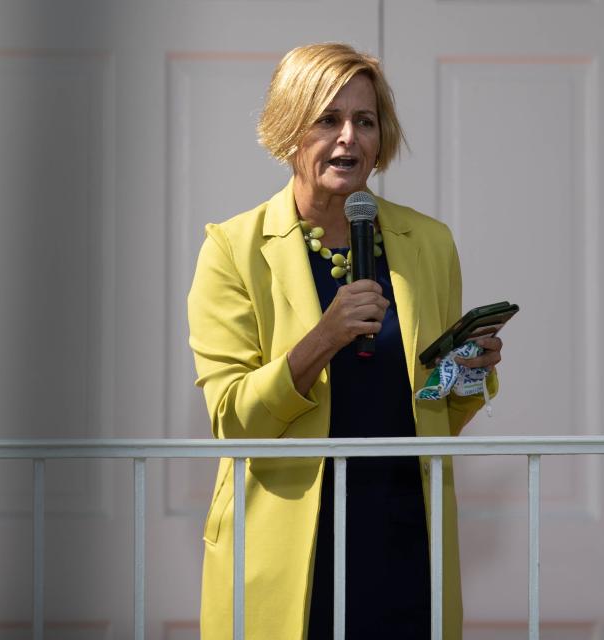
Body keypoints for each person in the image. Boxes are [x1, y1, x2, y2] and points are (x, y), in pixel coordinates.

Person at [187, 42, 503, 640]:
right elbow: (232, 421)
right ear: (288, 131)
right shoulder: (231, 248)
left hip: (405, 530)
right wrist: (322, 339)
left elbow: (439, 411)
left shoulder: (429, 242)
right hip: (288, 543)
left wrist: (470, 369)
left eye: (365, 121)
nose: (348, 139)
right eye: (327, 120)